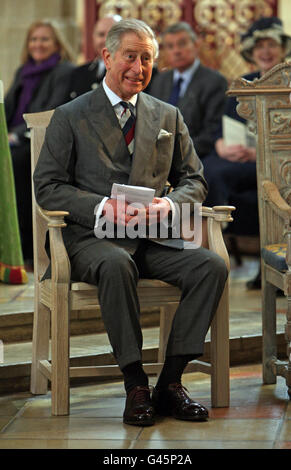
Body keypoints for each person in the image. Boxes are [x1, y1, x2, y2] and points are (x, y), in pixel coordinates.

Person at [33, 18, 228, 427]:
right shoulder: (70, 115)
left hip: (153, 237)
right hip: (90, 239)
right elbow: (48, 187)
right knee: (117, 263)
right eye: (130, 57)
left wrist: (171, 206)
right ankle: (135, 382)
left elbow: (195, 179)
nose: (138, 68)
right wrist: (102, 205)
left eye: (146, 59)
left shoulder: (168, 115)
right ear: (107, 57)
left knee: (211, 265)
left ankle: (170, 383)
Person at [202, 16, 291, 287]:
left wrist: (258, 155)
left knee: (217, 173)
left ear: (282, 48)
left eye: (270, 45)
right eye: (259, 47)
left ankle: (216, 236)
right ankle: (211, 243)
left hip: (272, 160)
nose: (265, 51)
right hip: (238, 160)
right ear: (251, 53)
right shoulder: (245, 83)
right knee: (206, 167)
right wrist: (221, 145)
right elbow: (224, 126)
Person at [5, 20, 74, 266]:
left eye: (44, 39)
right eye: (34, 39)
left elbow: (50, 111)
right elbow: (8, 108)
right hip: (13, 138)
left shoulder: (64, 71)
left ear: (57, 44)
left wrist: (14, 134)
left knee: (14, 163)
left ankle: (23, 247)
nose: (38, 44)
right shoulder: (23, 71)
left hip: (37, 140)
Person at [149, 22, 228, 159]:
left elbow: (212, 132)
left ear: (196, 45)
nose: (176, 51)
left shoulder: (215, 82)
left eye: (182, 44)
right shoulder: (159, 81)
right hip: (158, 155)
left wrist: (177, 153)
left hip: (196, 157)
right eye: (170, 46)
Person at [68, 15, 122, 100]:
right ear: (93, 38)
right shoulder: (78, 73)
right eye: (101, 34)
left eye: (112, 35)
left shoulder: (132, 73)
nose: (106, 40)